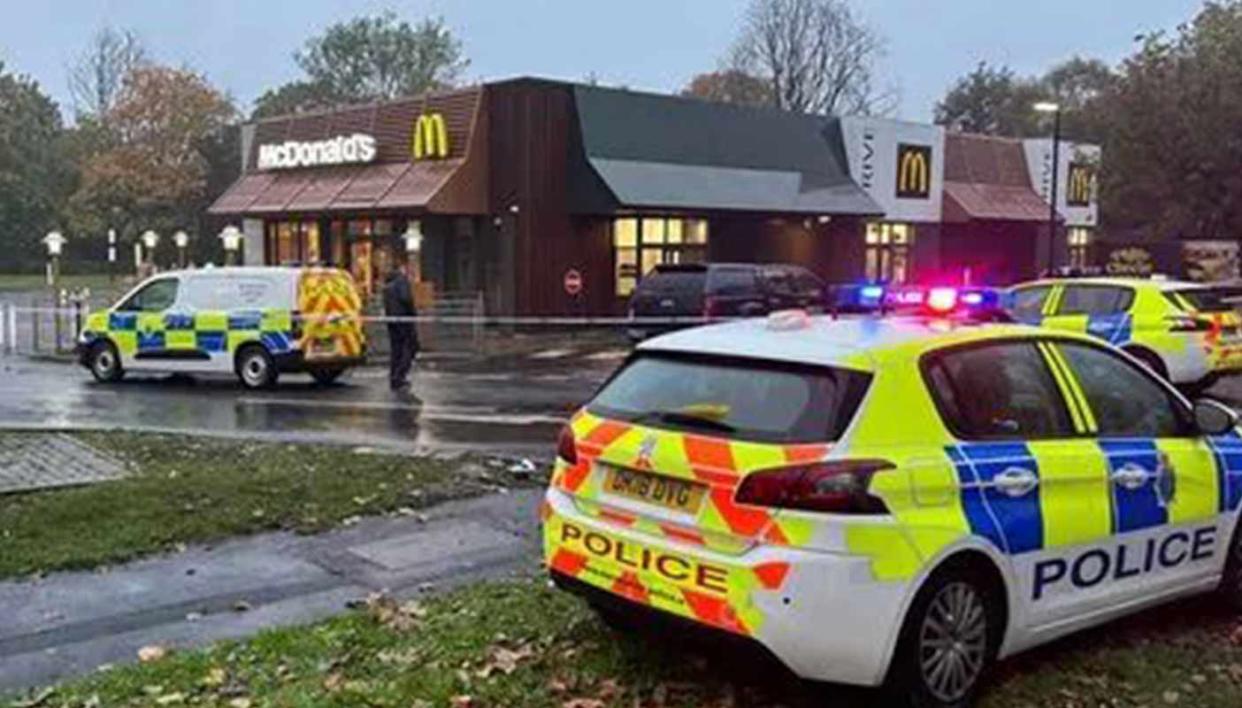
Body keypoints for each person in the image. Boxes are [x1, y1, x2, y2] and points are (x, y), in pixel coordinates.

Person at [382, 262, 419, 392]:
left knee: (396, 350)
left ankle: (394, 378)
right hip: (404, 319)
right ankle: (400, 376)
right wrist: (413, 313)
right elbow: (406, 298)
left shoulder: (387, 284)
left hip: (392, 320)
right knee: (409, 348)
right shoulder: (401, 281)